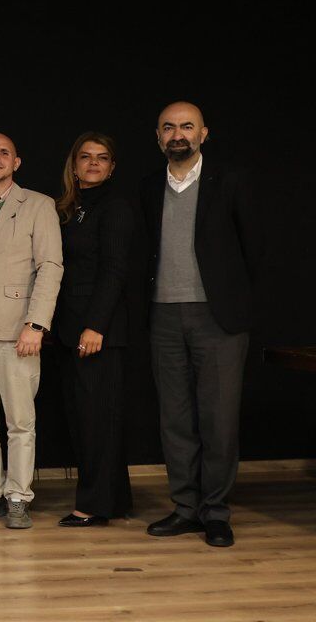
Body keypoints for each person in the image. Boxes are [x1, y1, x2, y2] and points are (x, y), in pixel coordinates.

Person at [141, 102, 259, 548]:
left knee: (219, 420)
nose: (178, 134)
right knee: (175, 419)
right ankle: (186, 509)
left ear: (203, 134)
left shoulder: (231, 180)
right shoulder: (149, 186)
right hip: (163, 316)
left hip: (217, 316)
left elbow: (254, 249)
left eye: (187, 126)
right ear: (158, 137)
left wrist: (235, 300)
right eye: (169, 127)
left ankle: (216, 512)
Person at [0, 133, 62, 530]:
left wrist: (36, 324)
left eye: (4, 153)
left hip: (20, 327)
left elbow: (50, 266)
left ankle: (18, 495)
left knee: (20, 420)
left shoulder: (38, 205)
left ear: (16, 163)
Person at [52, 132, 135, 528]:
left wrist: (95, 326)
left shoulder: (115, 206)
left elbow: (115, 271)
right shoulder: (70, 207)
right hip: (70, 328)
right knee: (88, 418)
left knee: (96, 421)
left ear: (112, 166)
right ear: (74, 164)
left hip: (98, 331)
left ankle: (93, 506)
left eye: (102, 158)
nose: (94, 163)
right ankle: (114, 500)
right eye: (86, 157)